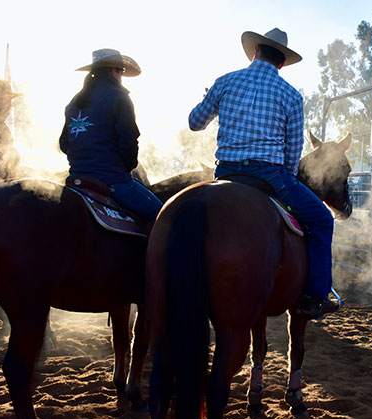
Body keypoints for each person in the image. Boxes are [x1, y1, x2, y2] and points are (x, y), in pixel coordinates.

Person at [188, 28, 338, 319]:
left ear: (255, 51)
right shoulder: (291, 96)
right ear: (282, 63)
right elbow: (293, 152)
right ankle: (315, 296)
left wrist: (213, 103)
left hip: (226, 174)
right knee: (321, 220)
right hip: (270, 177)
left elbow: (195, 123)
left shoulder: (225, 81)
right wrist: (289, 178)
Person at [59, 49, 163, 222]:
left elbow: (64, 144)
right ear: (113, 71)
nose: (121, 76)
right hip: (112, 180)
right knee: (165, 218)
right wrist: (128, 167)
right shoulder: (119, 96)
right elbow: (128, 140)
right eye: (121, 72)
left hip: (77, 179)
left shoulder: (75, 101)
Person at [0, 80, 21, 179]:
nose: (9, 105)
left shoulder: (2, 127)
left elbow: (11, 165)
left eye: (10, 100)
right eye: (6, 100)